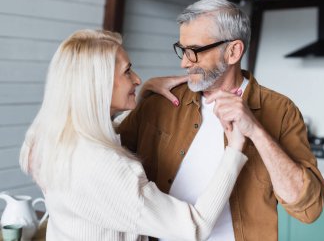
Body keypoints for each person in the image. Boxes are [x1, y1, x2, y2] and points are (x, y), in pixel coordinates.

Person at [118, 0, 324, 241]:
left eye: (194, 51)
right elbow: (104, 154)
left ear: (233, 51)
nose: (184, 62)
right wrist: (140, 98)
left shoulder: (281, 111)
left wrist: (256, 132)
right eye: (182, 50)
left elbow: (309, 209)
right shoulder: (161, 101)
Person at [19, 29, 248, 241]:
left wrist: (142, 95)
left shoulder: (48, 138)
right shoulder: (105, 167)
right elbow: (195, 226)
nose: (137, 79)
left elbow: (103, 134)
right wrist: (235, 147)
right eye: (127, 71)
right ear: (99, 84)